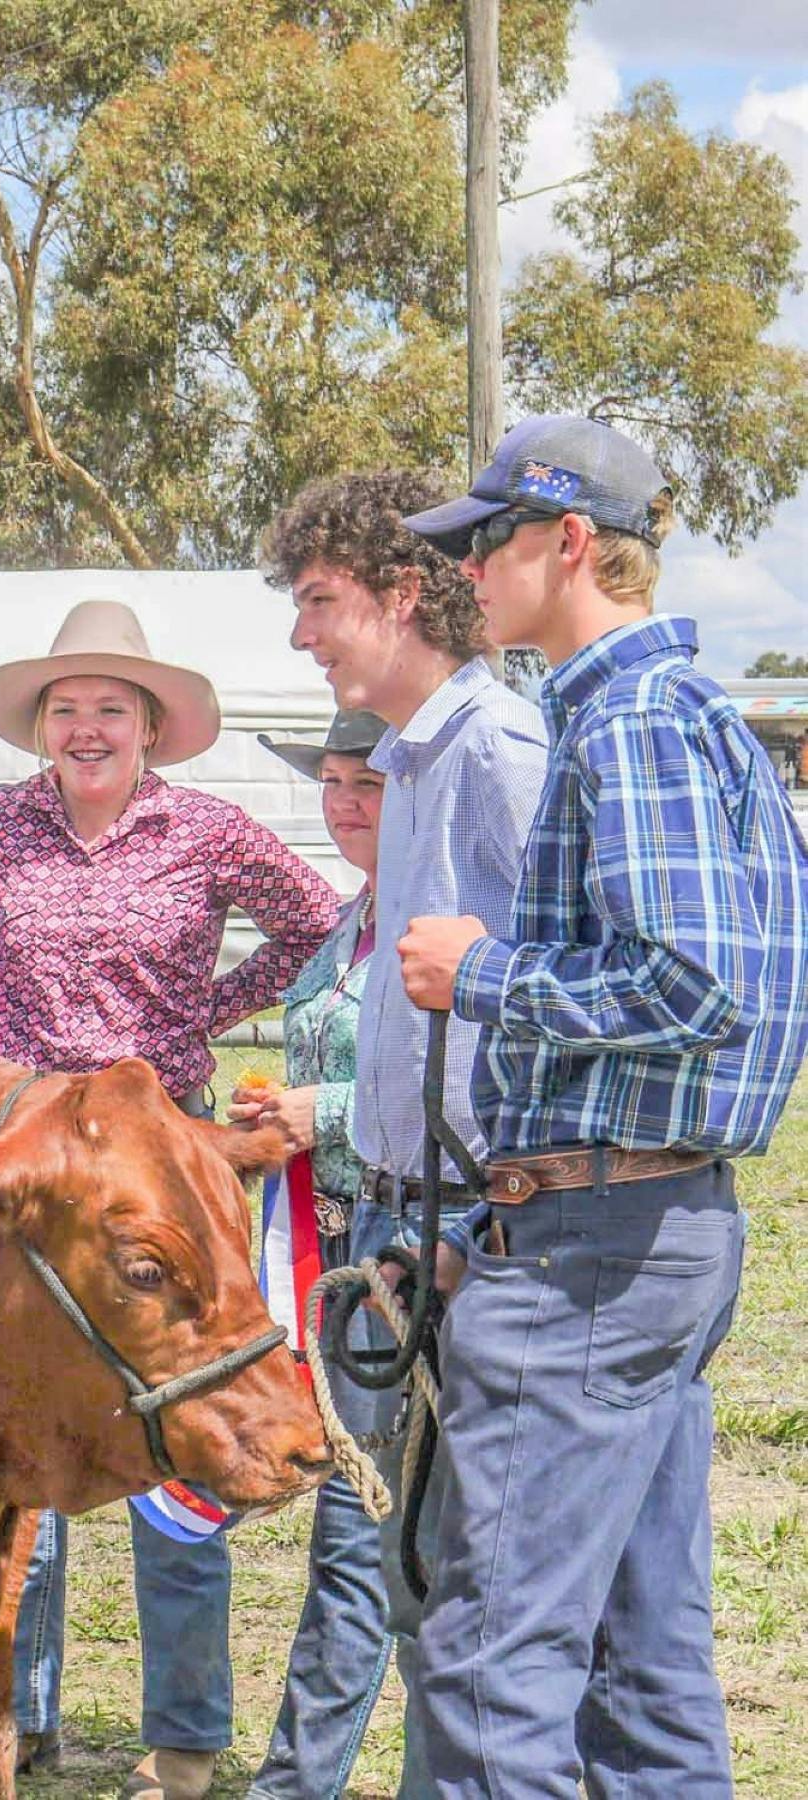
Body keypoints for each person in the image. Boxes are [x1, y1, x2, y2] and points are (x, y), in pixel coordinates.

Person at [395, 415, 808, 1797]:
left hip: (599, 1248)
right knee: (645, 1665)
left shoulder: (627, 720)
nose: (470, 574)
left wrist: (484, 971)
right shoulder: (681, 719)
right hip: (636, 1227)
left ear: (569, 542)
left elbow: (696, 985)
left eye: (488, 541)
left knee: (491, 1660)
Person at [0, 599, 339, 1800]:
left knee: (184, 1449)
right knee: (12, 1439)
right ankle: (14, 1718)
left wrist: (212, 1009)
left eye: (111, 710)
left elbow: (315, 921)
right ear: (41, 728)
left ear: (151, 727)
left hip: (170, 1168)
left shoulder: (209, 827)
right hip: (32, 1169)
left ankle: (185, 1737)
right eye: (67, 709)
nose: (88, 729)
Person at [260, 469, 549, 1795]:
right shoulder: (415, 759)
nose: (303, 634)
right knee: (410, 1563)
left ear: (396, 593)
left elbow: (555, 983)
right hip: (400, 1221)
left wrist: (483, 1211)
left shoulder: (491, 751)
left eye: (319, 601)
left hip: (464, 1228)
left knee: (467, 1581)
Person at [232, 709, 397, 1800]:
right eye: (333, 782)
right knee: (365, 1529)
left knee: (358, 1534)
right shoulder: (350, 920)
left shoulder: (445, 919)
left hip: (402, 1248)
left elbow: (465, 1093)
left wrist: (318, 1110)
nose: (341, 802)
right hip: (329, 1248)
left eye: (366, 786)